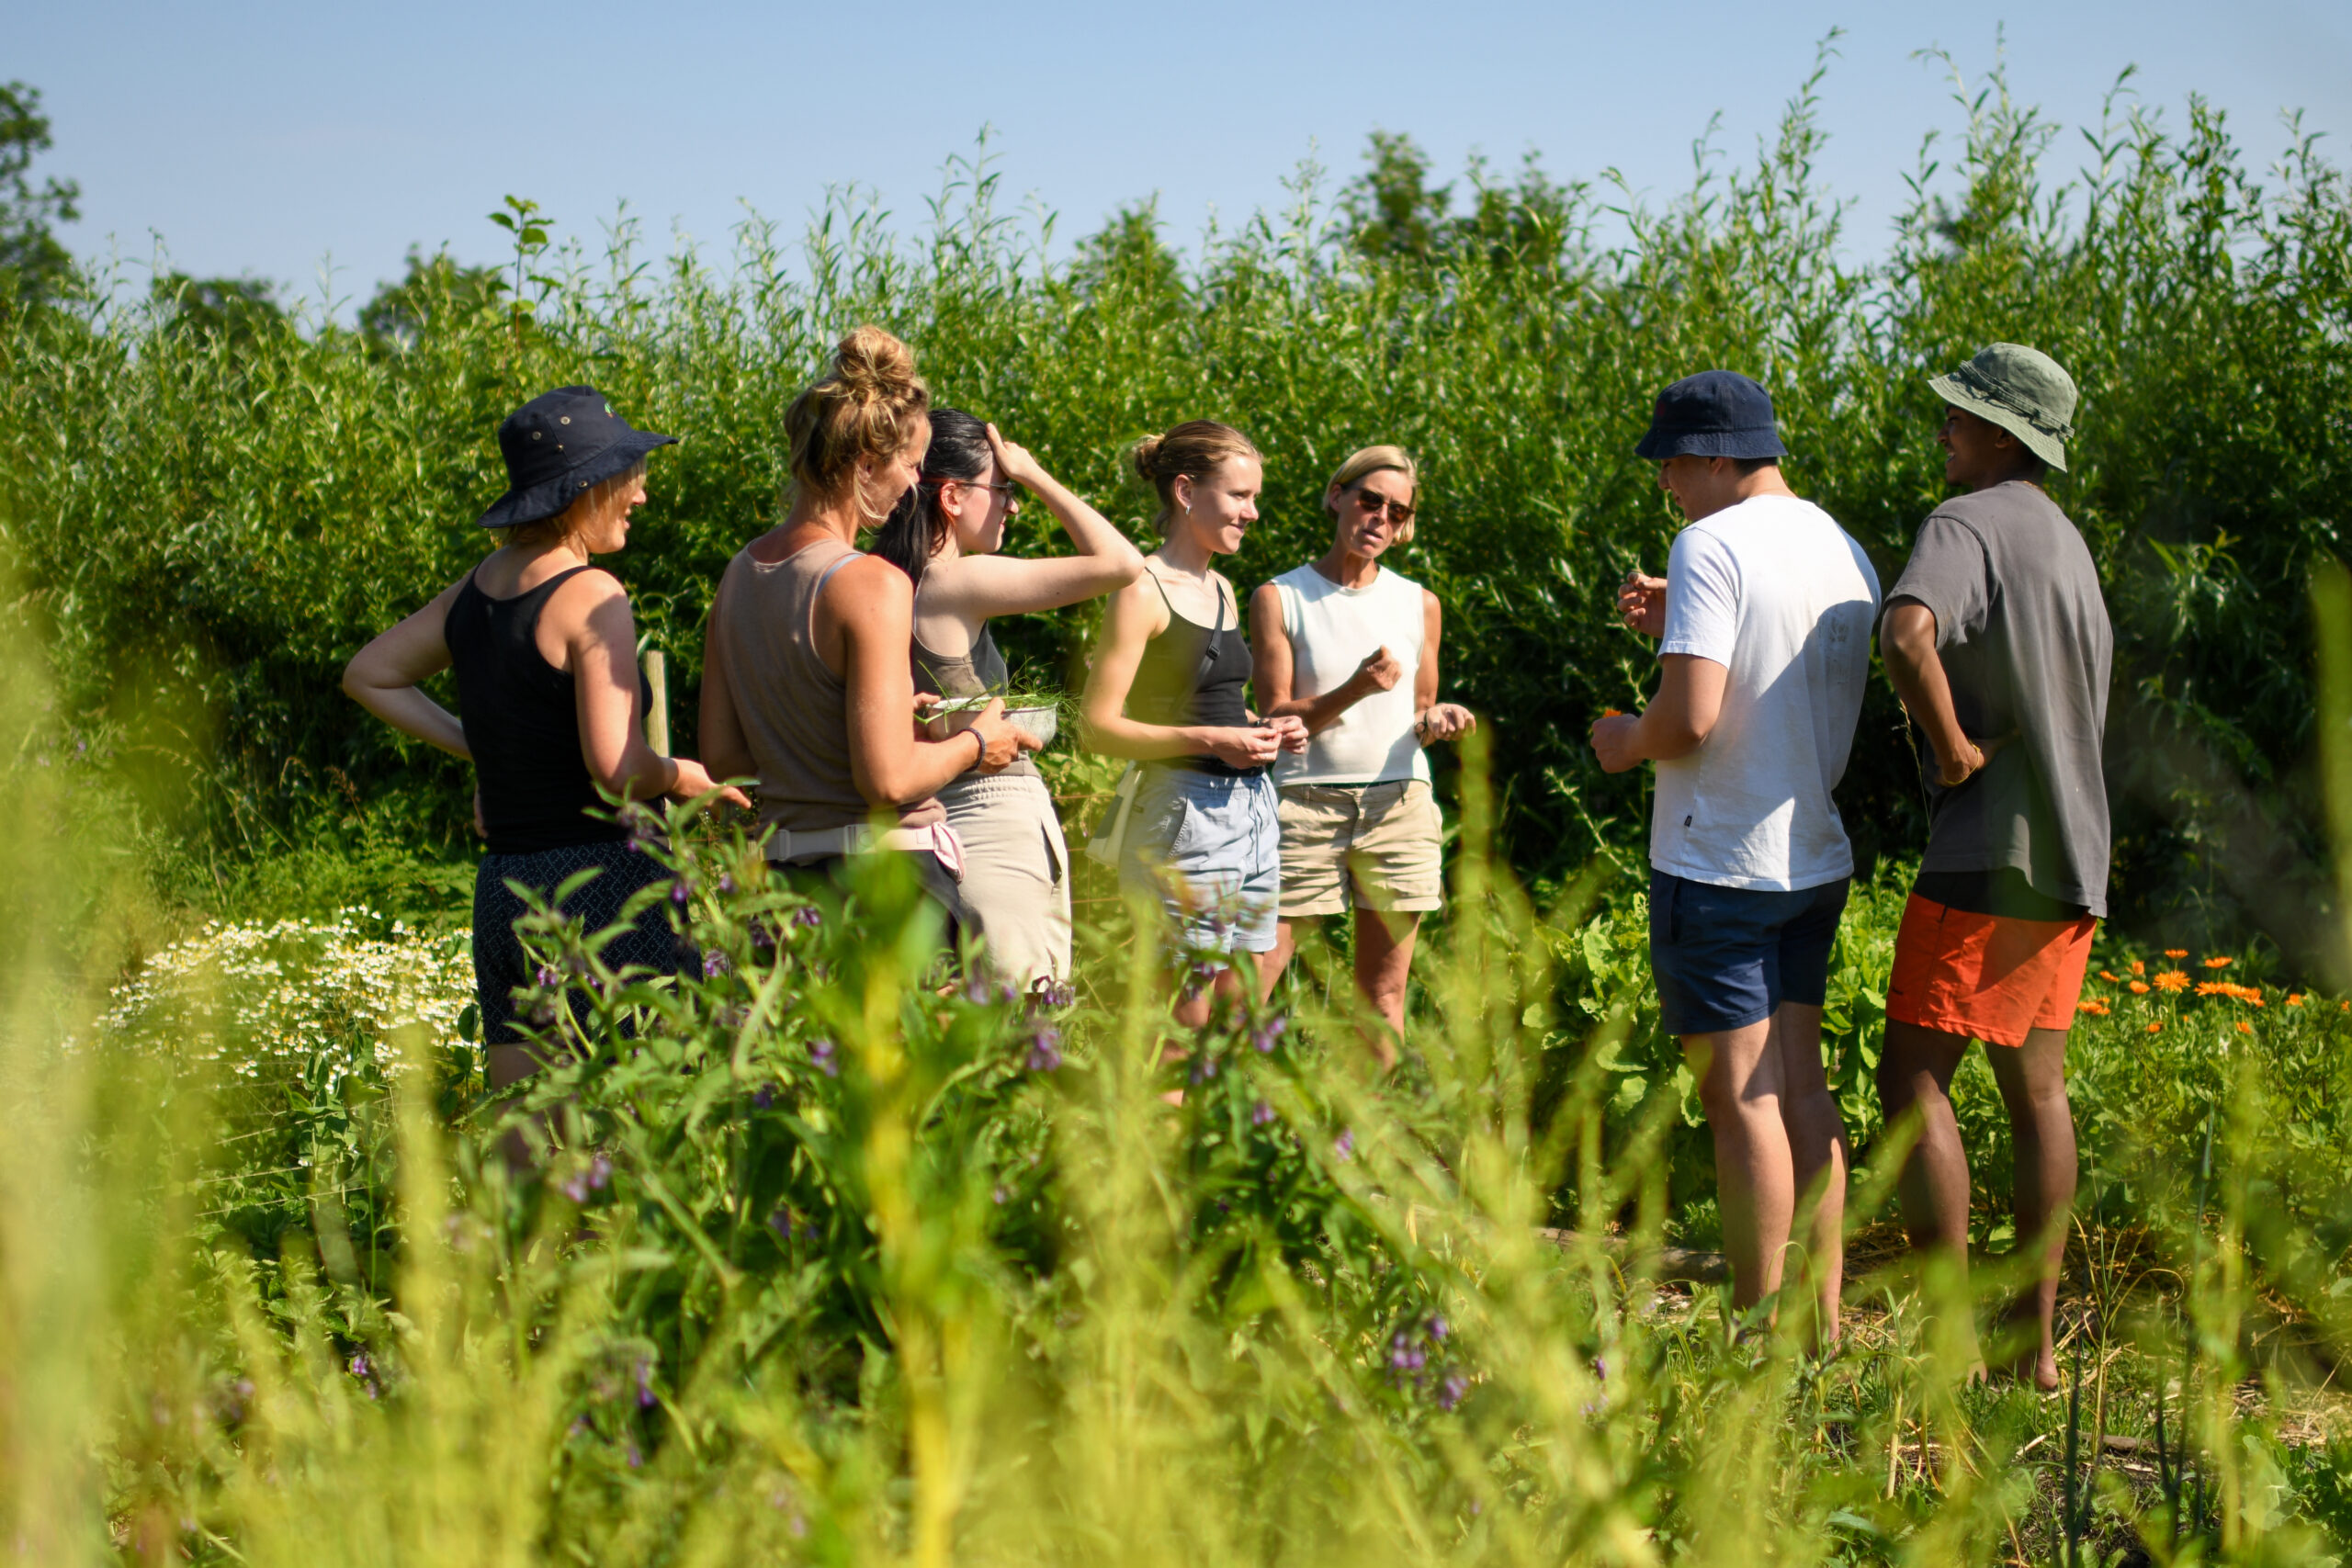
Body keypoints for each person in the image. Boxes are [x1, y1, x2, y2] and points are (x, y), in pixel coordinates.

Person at [342, 386, 748, 1102]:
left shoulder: (475, 590)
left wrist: (483, 748)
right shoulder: (593, 595)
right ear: (583, 487)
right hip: (603, 889)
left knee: (527, 1135)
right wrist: (681, 773)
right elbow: (619, 768)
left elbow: (370, 673)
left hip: (505, 891)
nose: (641, 494)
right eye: (628, 476)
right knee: (637, 1128)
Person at [1589, 371, 1879, 1343]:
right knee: (1801, 1086)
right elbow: (1779, 655)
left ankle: (1755, 1338)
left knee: (1740, 1098)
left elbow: (1689, 721)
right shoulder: (1842, 545)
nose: (1665, 482)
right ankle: (1822, 1326)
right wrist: (1685, 609)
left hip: (1718, 861)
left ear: (1716, 454)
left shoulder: (1707, 543)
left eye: (1671, 462)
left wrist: (1624, 737)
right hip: (1811, 856)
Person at [1874, 344, 2109, 1391]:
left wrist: (1954, 750)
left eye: (1959, 419)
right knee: (2037, 1091)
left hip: (1985, 853)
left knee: (1913, 1081)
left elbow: (1906, 630)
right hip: (2071, 854)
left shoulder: (1963, 524)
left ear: (2004, 437)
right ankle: (2033, 1348)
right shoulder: (2067, 546)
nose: (1945, 434)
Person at [698, 327, 1034, 934]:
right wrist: (979, 741)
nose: (913, 485)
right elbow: (886, 780)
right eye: (910, 464)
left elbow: (724, 757)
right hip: (885, 888)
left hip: (783, 890)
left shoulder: (740, 575)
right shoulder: (872, 582)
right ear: (866, 463)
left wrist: (856, 723)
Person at [873, 410, 1145, 988]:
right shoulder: (952, 582)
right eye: (1002, 490)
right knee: (1022, 1021)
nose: (1012, 505)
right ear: (951, 496)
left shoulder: (887, 581)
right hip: (987, 816)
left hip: (942, 816)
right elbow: (1122, 564)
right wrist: (1037, 474)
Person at [1249, 446, 1475, 1066]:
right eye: (1368, 499)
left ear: (1404, 528)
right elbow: (1275, 720)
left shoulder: (1418, 602)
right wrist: (1355, 687)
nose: (1379, 517)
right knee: (1252, 980)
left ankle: (1368, 1152)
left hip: (1398, 803)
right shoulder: (1280, 596)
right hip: (1304, 803)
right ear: (1335, 497)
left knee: (1381, 998)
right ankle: (1212, 1136)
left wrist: (1440, 718)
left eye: (1396, 511)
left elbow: (1418, 713)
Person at [1079, 421, 1306, 1030]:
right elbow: (1097, 727)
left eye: (1254, 497)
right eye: (1239, 495)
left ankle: (1218, 1130)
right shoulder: (1141, 589)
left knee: (1237, 1024)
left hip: (1252, 813)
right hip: (1184, 818)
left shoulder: (1225, 589)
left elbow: (1213, 705)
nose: (1253, 512)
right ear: (1185, 491)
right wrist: (1212, 741)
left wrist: (1265, 730)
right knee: (1183, 1025)